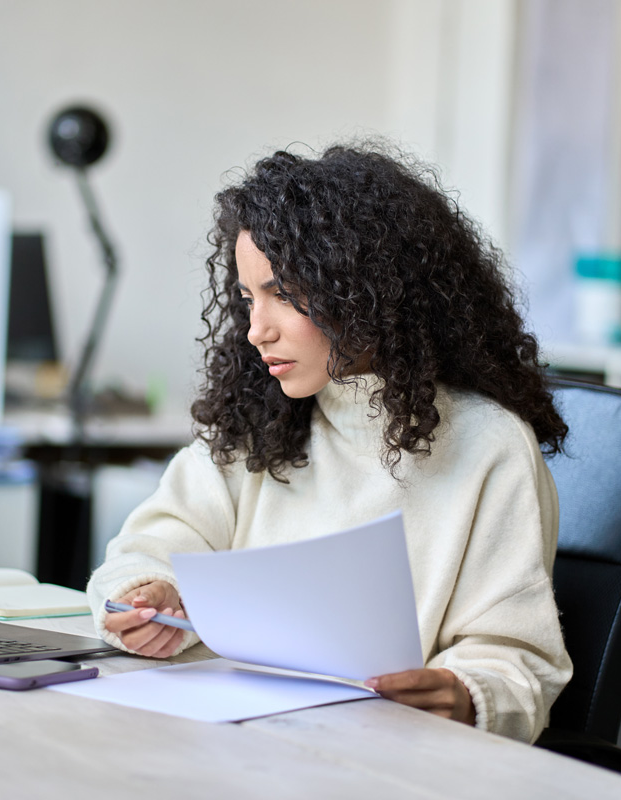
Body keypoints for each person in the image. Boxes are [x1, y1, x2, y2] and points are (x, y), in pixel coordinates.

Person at [86, 142, 573, 743]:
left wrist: (470, 695)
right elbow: (150, 545)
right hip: (240, 745)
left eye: (285, 295)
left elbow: (515, 660)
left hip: (388, 762)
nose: (256, 329)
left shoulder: (489, 446)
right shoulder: (261, 422)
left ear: (369, 291)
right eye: (246, 299)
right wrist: (146, 594)